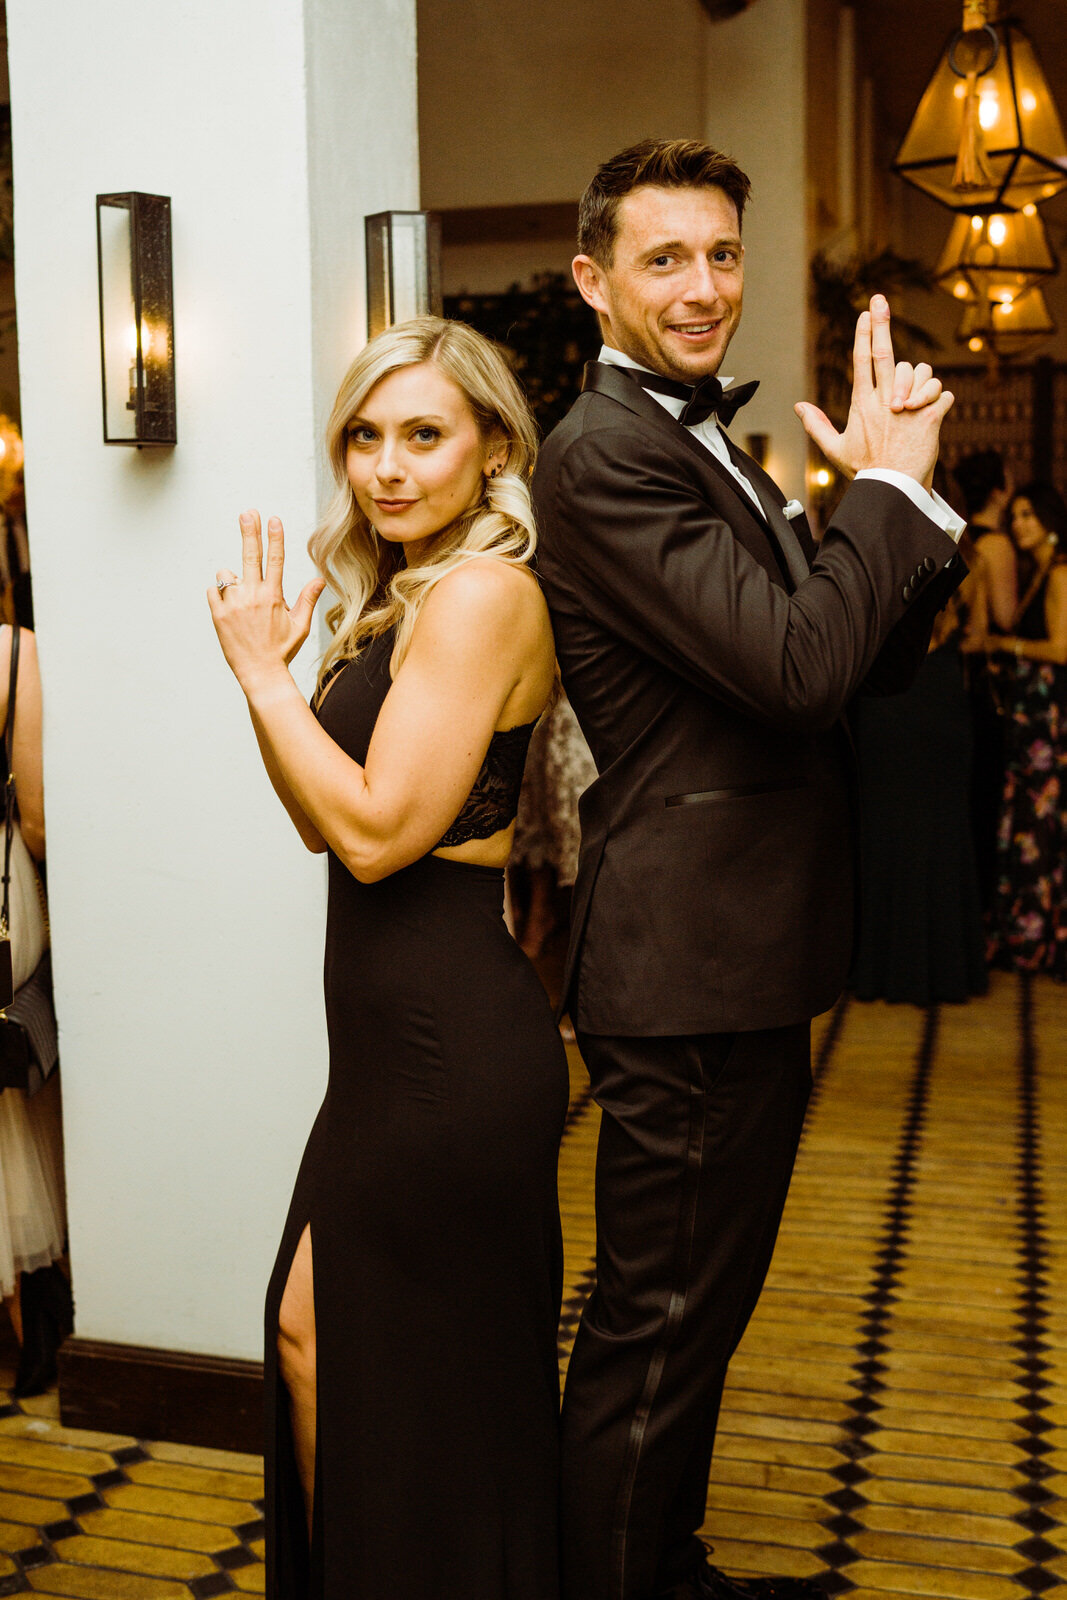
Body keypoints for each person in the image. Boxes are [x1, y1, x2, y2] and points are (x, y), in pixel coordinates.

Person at [532, 138, 964, 1600]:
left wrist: (885, 500)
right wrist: (882, 499)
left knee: (695, 1321)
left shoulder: (703, 441)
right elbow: (791, 669)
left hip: (734, 956)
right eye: (664, 257)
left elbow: (850, 666)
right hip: (682, 964)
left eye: (720, 253)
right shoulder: (599, 453)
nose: (703, 286)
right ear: (593, 279)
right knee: (652, 1329)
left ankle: (666, 1566)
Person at [208, 316, 569, 1600]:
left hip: (445, 1052)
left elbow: (368, 840)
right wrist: (291, 674)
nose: (388, 467)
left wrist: (257, 677)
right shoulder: (397, 603)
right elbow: (322, 813)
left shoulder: (481, 595)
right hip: (382, 1057)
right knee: (326, 1342)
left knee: (377, 1368)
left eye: (424, 434)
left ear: (492, 448)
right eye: (365, 437)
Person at [0, 622, 70, 1395]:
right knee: (14, 1098)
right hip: (4, 894)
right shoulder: (14, 653)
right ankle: (41, 1312)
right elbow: (41, 821)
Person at [982, 482, 1067, 978]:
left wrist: (1005, 645)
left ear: (1051, 519)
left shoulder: (1059, 573)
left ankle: (1042, 936)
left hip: (1047, 719)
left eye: (1030, 515)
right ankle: (1028, 933)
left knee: (1042, 824)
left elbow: (1062, 649)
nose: (1019, 525)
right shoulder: (1042, 571)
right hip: (1032, 717)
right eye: (1014, 516)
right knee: (1032, 822)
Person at [953, 448, 1015, 905]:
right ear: (1000, 489)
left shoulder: (959, 539)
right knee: (990, 793)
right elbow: (1004, 619)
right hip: (991, 679)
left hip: (957, 679)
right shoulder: (996, 546)